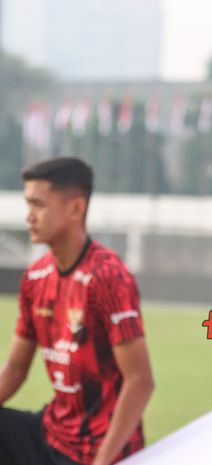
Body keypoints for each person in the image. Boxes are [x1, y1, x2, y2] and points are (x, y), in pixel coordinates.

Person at [0, 157, 155, 465]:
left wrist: (102, 462)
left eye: (39, 205)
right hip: (52, 434)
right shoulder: (35, 278)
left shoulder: (107, 276)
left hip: (95, 451)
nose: (29, 216)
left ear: (75, 209)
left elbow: (140, 381)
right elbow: (16, 369)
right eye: (28, 204)